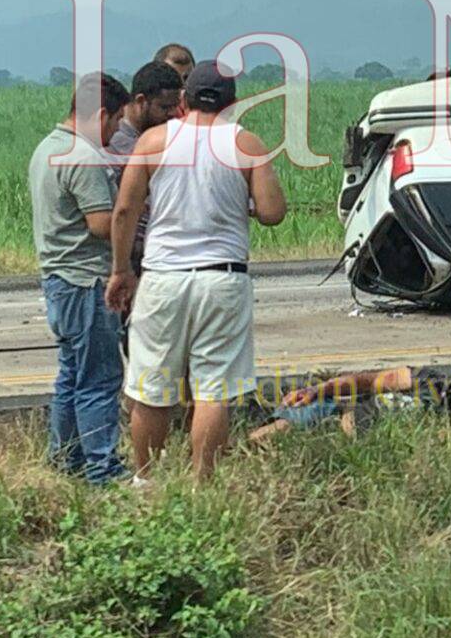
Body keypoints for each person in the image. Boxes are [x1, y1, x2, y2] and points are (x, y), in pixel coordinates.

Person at [107, 61, 287, 480]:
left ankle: (145, 481)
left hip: (163, 277)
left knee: (151, 388)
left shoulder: (152, 141)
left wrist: (121, 271)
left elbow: (124, 211)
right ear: (233, 102)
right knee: (214, 391)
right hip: (222, 278)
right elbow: (274, 212)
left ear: (184, 99)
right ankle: (202, 485)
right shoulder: (247, 144)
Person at [27, 71, 131, 484]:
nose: (115, 131)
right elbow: (102, 224)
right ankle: (102, 468)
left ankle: (64, 458)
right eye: (115, 121)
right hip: (86, 280)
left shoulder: (47, 148)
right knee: (100, 380)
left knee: (71, 376)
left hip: (57, 278)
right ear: (101, 114)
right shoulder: (85, 158)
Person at [249, 362, 451, 443]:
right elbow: (372, 381)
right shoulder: (437, 379)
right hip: (346, 408)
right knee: (293, 419)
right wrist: (319, 389)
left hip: (360, 432)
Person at [108, 61, 185, 273]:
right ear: (141, 101)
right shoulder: (114, 143)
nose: (172, 114)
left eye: (175, 107)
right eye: (164, 107)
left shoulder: (166, 138)